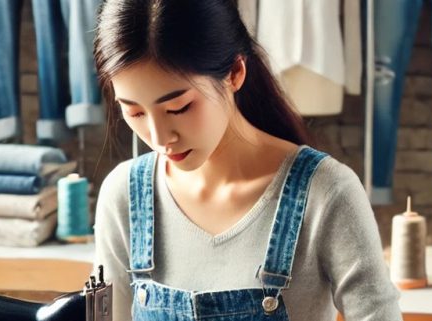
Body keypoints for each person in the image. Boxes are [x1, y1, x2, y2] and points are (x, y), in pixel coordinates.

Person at [91, 0, 402, 320]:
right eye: (134, 112)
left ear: (235, 73)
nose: (158, 138)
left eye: (179, 108)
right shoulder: (124, 195)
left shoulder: (325, 193)